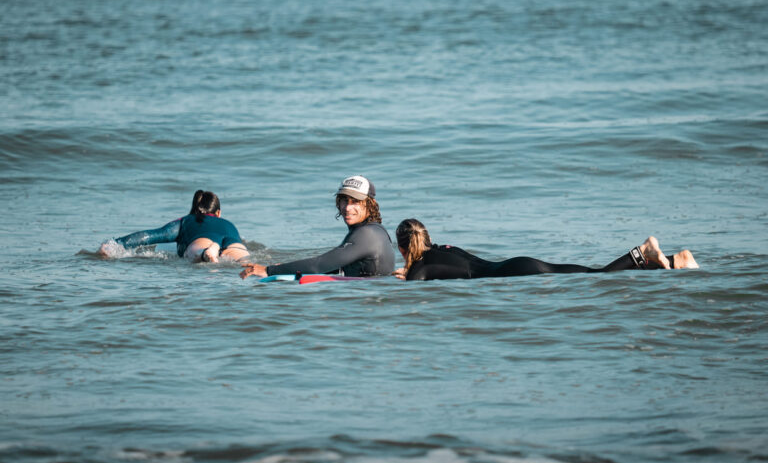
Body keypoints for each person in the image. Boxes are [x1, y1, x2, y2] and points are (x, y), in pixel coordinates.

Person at [394, 218, 699, 281]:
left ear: (403, 247)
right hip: (519, 263)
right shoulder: (448, 247)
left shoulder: (419, 269)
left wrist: (402, 277)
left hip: (516, 276)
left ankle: (643, 251)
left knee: (599, 279)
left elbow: (415, 283)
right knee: (593, 275)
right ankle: (675, 259)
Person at [239, 176, 395, 279]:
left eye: (355, 202)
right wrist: (288, 268)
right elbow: (336, 267)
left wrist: (268, 271)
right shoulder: (374, 231)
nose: (347, 208)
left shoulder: (366, 234)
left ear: (371, 205)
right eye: (344, 201)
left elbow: (318, 265)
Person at [99, 190, 249, 263]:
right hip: (234, 242)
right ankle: (236, 258)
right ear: (218, 212)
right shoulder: (229, 224)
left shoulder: (186, 221)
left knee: (201, 253)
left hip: (202, 242)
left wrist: (115, 244)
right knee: (243, 262)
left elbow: (151, 236)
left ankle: (206, 252)